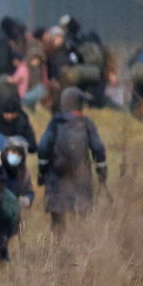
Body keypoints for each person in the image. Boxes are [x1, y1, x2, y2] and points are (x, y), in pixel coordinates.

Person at [37, 86, 107, 232]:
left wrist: (42, 169)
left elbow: (43, 147)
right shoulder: (87, 123)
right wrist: (102, 170)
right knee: (83, 213)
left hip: (57, 174)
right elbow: (98, 148)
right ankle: (83, 245)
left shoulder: (55, 123)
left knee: (57, 215)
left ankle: (58, 246)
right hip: (81, 174)